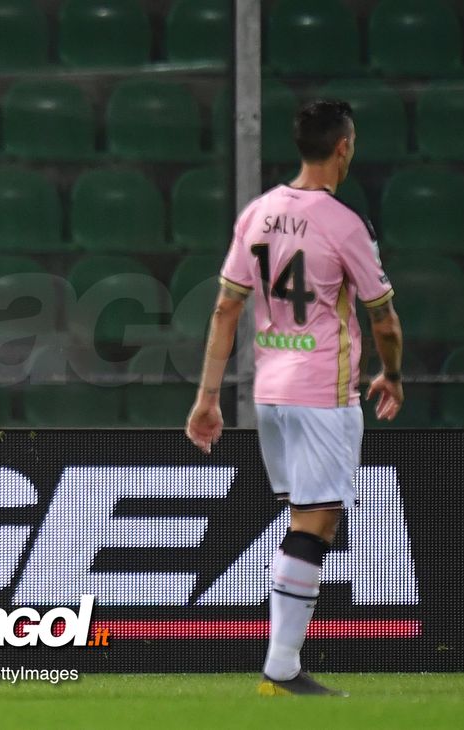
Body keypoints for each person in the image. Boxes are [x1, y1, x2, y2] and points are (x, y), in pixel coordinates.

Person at [184, 100, 404, 696]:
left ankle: (283, 665)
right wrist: (393, 374)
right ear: (344, 148)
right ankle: (281, 668)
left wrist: (208, 398)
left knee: (310, 516)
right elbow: (382, 317)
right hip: (323, 393)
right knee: (315, 518)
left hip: (271, 393)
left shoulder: (258, 214)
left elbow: (226, 307)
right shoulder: (344, 223)